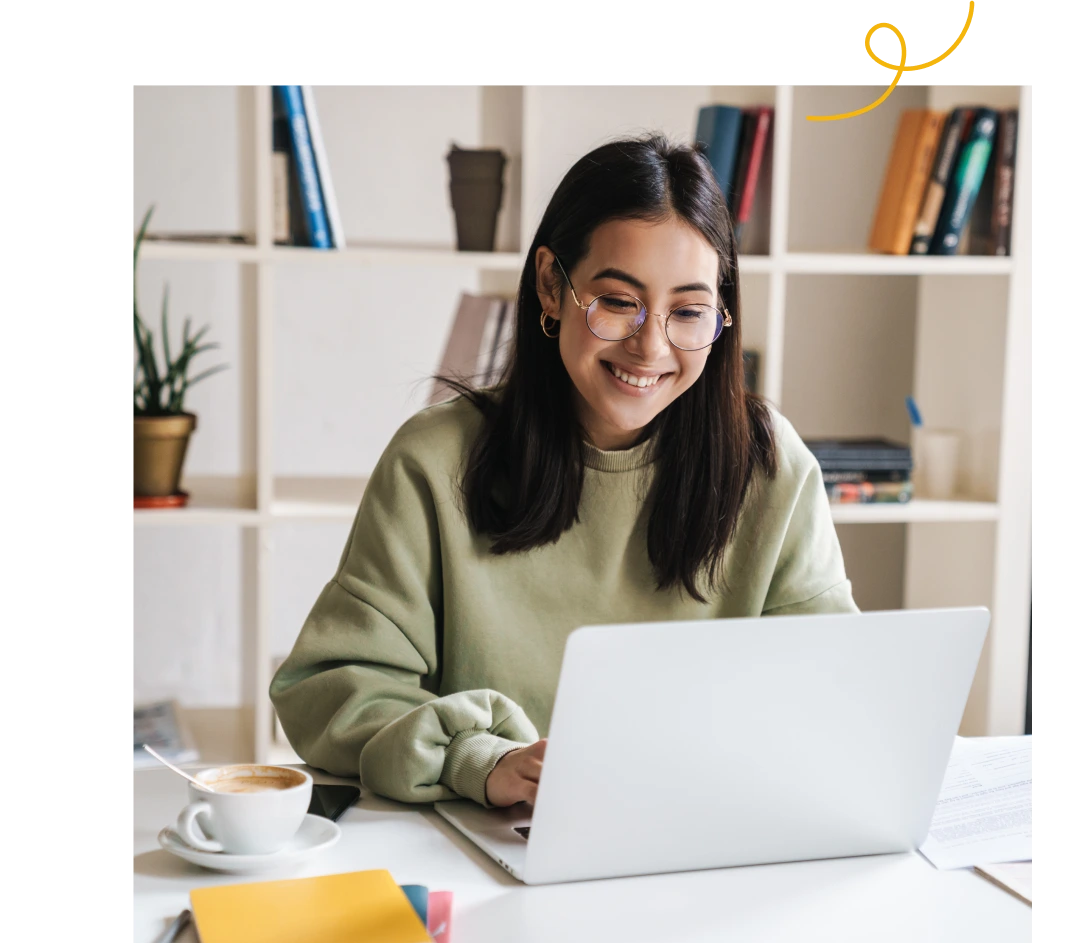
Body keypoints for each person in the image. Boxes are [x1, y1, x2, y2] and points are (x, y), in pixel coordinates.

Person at [270, 133, 859, 811]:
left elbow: (831, 691)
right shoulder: (434, 462)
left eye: (688, 311)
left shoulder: (770, 467)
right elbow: (331, 686)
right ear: (551, 285)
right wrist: (476, 758)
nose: (650, 345)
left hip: (704, 836)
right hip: (488, 844)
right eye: (616, 300)